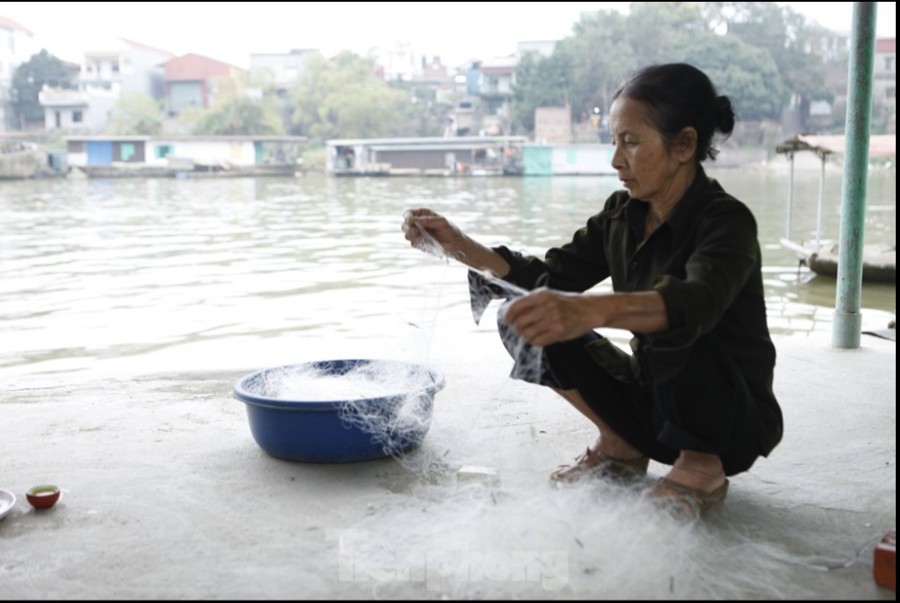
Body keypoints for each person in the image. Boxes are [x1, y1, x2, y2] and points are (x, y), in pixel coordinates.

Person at [401, 63, 783, 520]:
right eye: (615, 141)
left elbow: (694, 302)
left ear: (684, 144)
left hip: (729, 421)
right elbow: (546, 277)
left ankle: (700, 468)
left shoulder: (726, 221)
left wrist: (588, 310)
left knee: (675, 324)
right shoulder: (623, 214)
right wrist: (459, 245)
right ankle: (621, 443)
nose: (616, 161)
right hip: (658, 403)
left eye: (632, 142)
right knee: (523, 313)